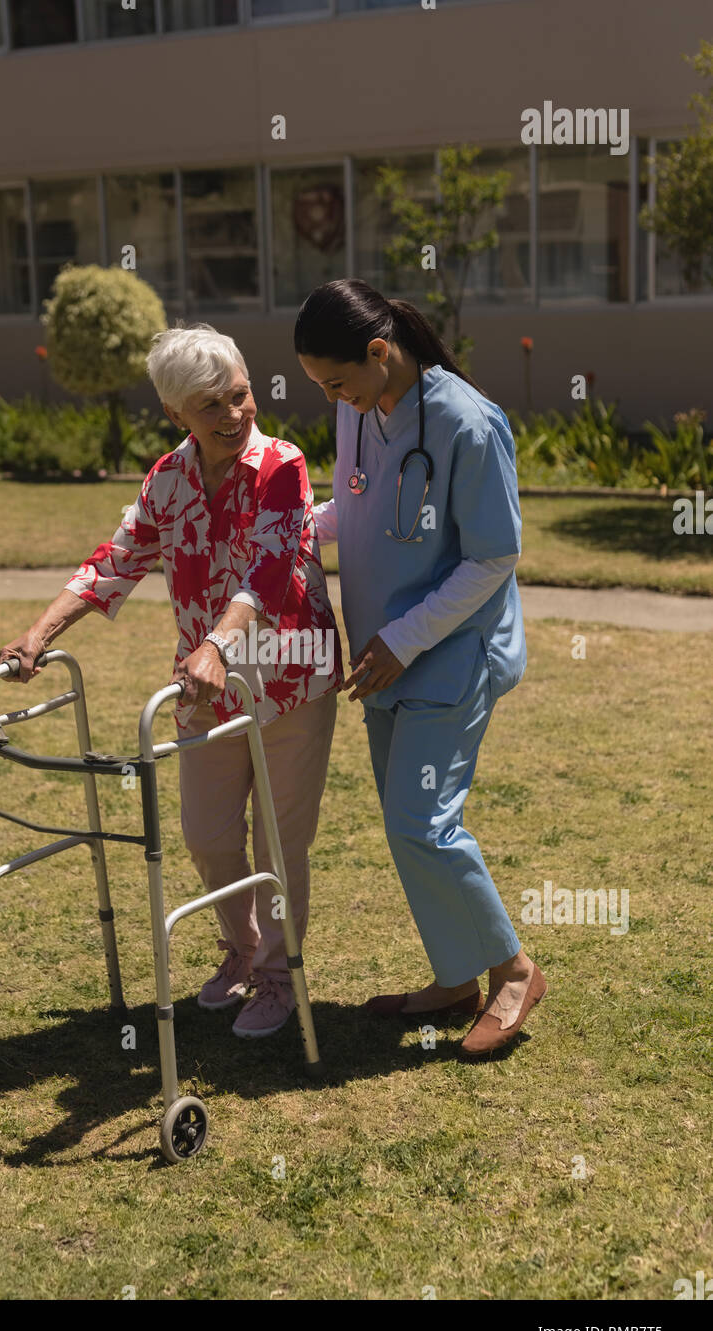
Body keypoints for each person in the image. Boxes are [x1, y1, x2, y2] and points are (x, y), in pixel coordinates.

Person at [0, 324, 341, 1039]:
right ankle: (243, 950)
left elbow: (271, 570)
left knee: (279, 838)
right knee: (207, 834)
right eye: (210, 405)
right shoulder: (167, 477)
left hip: (286, 675)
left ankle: (279, 977)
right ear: (176, 413)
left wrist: (218, 643)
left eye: (240, 396)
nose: (233, 416)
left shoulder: (282, 464)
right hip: (204, 686)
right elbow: (116, 559)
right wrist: (41, 631)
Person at [295, 279, 547, 1057]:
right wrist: (296, 525)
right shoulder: (359, 406)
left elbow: (494, 557)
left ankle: (513, 972)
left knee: (423, 824)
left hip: (449, 655)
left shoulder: (469, 424)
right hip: (385, 658)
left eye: (337, 381)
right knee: (407, 831)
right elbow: (360, 504)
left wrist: (405, 638)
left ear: (380, 351)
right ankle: (456, 975)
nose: (333, 398)